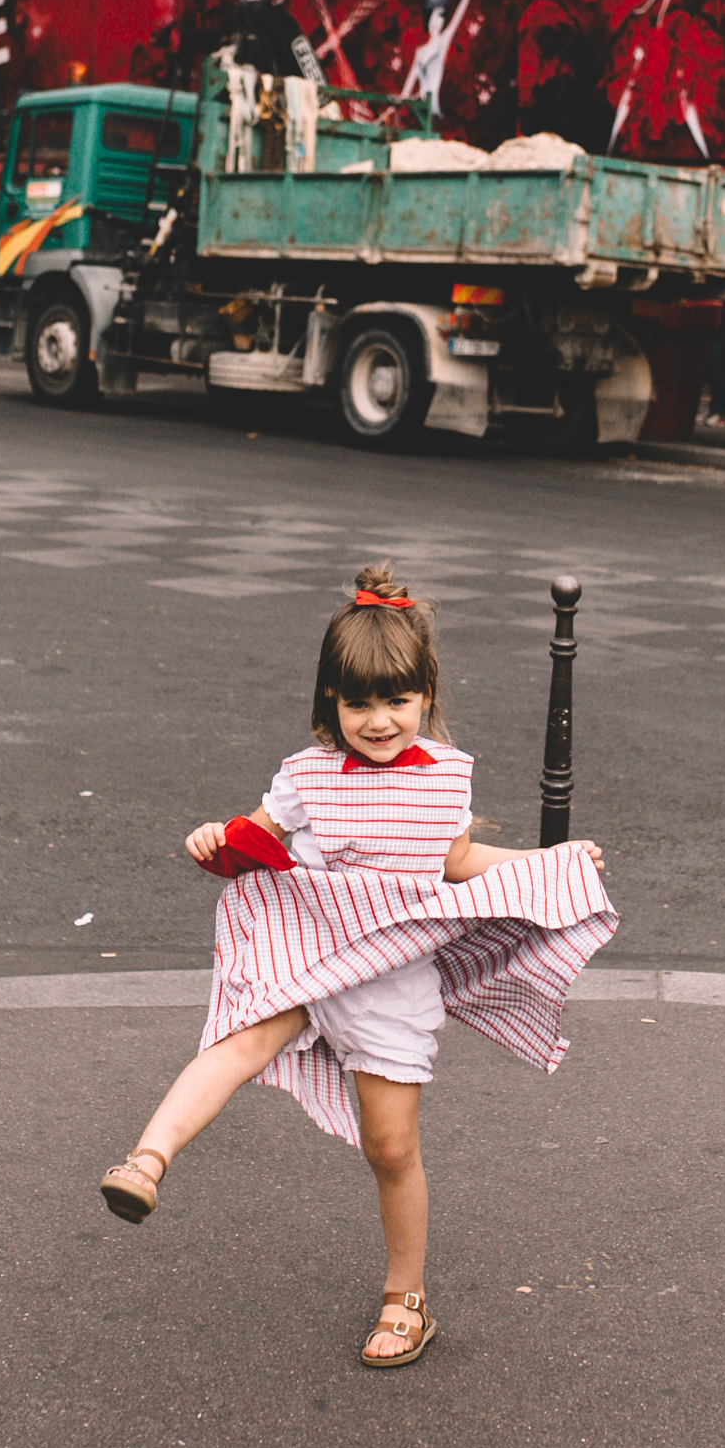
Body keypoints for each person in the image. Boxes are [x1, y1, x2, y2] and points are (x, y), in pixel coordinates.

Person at [98, 564, 616, 1367]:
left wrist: (549, 866)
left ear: (426, 695)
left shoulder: (446, 776)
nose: (378, 721)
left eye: (396, 701)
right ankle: (145, 1161)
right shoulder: (306, 775)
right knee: (236, 1040)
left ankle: (406, 1297)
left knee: (390, 1147)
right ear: (328, 703)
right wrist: (215, 836)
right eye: (357, 703)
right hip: (310, 950)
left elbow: (457, 862)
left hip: (390, 978)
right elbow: (254, 835)